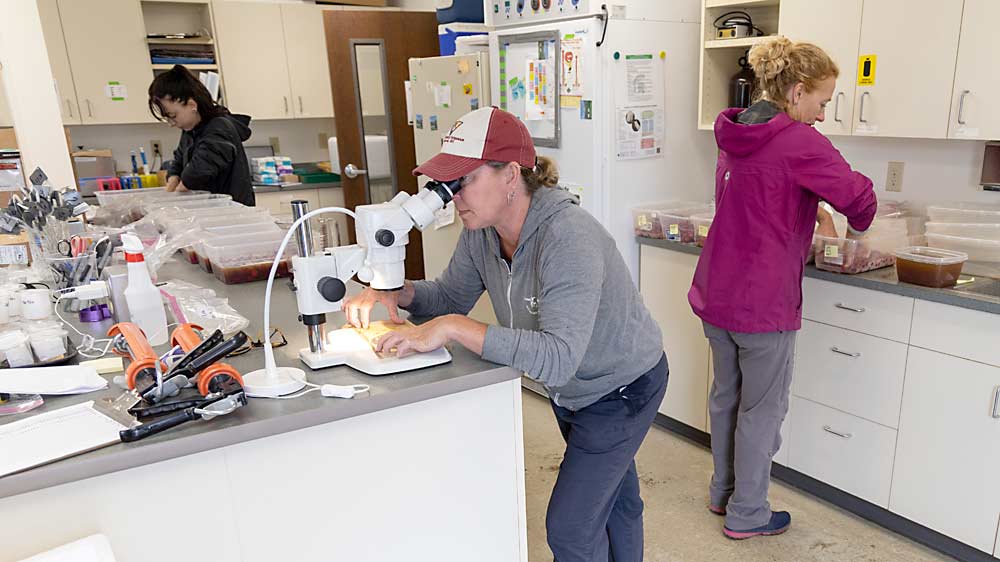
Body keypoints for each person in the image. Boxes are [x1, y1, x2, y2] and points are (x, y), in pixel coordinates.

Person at [343, 107, 668, 562]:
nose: (454, 197)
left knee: (571, 528)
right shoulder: (483, 232)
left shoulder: (567, 237)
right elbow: (450, 296)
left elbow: (556, 358)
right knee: (614, 502)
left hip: (621, 385)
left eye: (464, 180)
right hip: (574, 389)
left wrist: (454, 328)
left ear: (511, 174)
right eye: (448, 184)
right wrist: (397, 291)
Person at [688, 37, 878, 540]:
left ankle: (722, 494)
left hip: (717, 293)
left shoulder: (736, 129)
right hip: (762, 302)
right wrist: (859, 217)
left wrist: (805, 203)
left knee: (727, 397)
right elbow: (857, 198)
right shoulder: (799, 141)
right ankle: (748, 514)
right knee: (761, 410)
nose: (821, 114)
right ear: (797, 92)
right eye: (821, 101)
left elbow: (758, 199)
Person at [147, 65, 255, 206]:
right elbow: (178, 162)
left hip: (232, 215)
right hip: (211, 212)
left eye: (173, 116)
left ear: (192, 105)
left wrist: (168, 204)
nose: (171, 123)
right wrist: (172, 180)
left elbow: (195, 175)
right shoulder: (190, 129)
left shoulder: (219, 128)